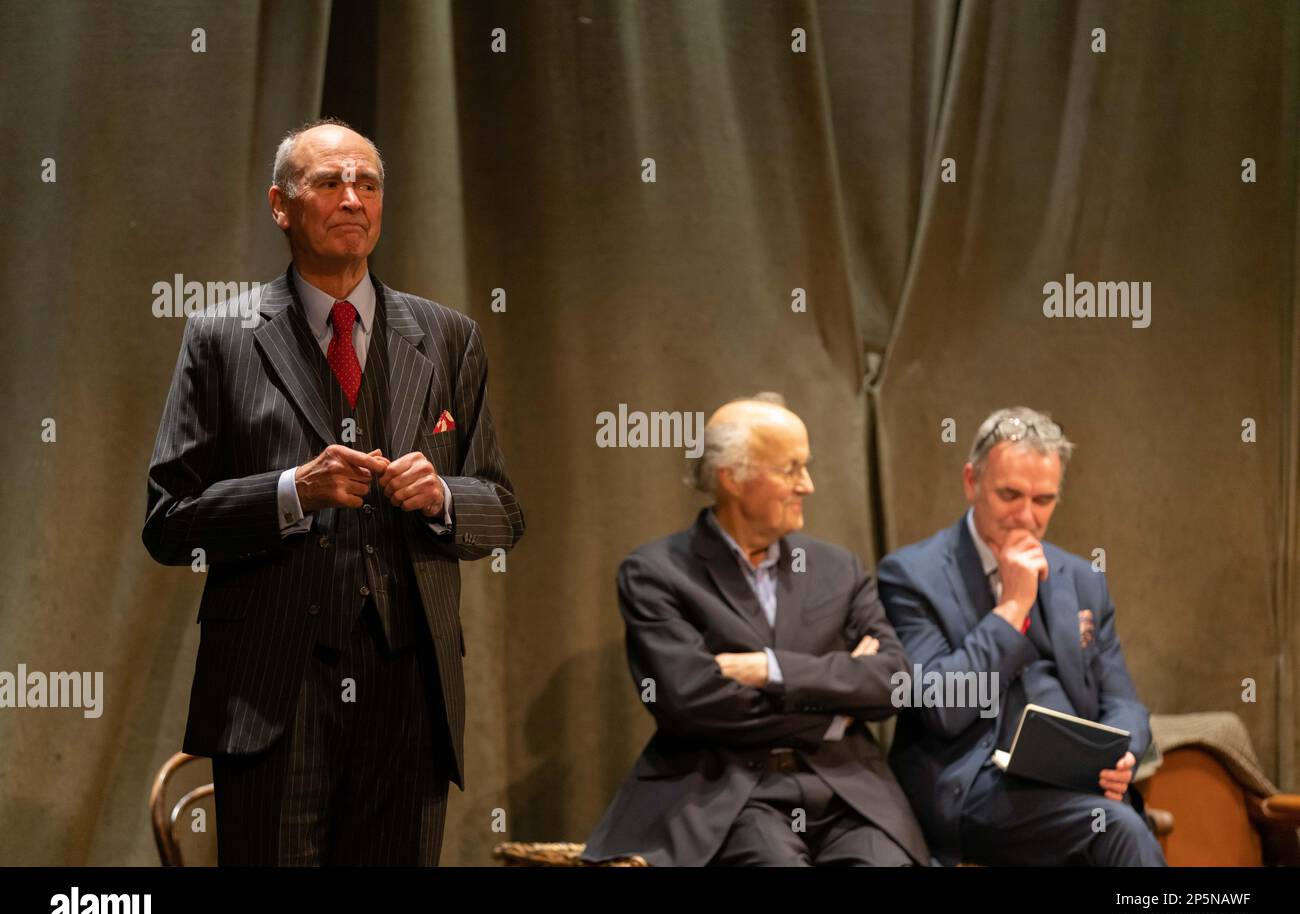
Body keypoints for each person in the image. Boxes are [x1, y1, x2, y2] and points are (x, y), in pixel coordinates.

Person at [142, 118, 524, 865]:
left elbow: (504, 509)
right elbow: (168, 522)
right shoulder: (222, 336)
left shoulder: (449, 337)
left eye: (369, 184)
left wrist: (444, 495)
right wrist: (292, 492)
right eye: (329, 181)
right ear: (281, 205)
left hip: (411, 687)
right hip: (273, 691)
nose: (353, 197)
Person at [582, 394, 931, 866]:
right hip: (731, 792)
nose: (806, 485)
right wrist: (836, 709)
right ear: (733, 476)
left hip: (847, 787)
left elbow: (894, 682)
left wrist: (772, 669)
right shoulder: (656, 573)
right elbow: (690, 703)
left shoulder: (836, 567)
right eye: (790, 469)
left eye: (805, 466)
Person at [876, 406, 1164, 866]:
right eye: (1010, 494)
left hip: (1073, 784)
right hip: (975, 785)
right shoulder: (911, 575)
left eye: (1043, 500)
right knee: (1116, 829)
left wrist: (1123, 757)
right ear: (971, 482)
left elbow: (1124, 701)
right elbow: (941, 706)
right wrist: (1012, 606)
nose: (1026, 517)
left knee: (1115, 820)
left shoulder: (1081, 579)